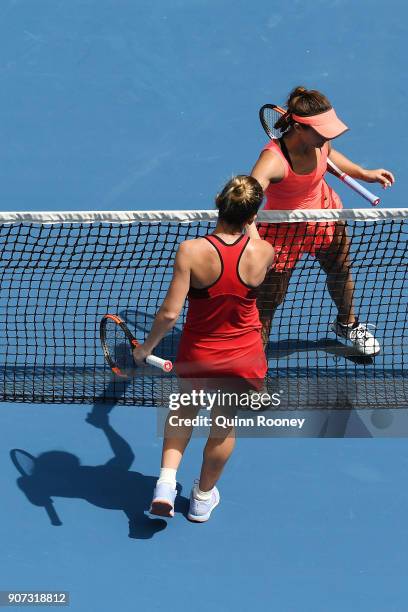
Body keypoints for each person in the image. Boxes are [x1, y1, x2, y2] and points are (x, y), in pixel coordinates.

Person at [132, 176, 274, 522]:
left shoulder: (191, 251)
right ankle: (201, 499)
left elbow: (169, 313)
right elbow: (251, 245)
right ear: (253, 215)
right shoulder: (266, 252)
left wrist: (144, 349)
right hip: (243, 359)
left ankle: (165, 485)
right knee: (223, 425)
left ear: (218, 202)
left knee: (182, 412)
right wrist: (251, 224)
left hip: (199, 355)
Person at [251, 86, 395, 355]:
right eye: (322, 132)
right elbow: (247, 200)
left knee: (340, 272)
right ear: (300, 128)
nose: (327, 137)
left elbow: (329, 154)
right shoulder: (272, 160)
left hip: (325, 215)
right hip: (281, 231)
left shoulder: (319, 141)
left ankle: (347, 324)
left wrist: (364, 173)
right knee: (268, 300)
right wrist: (252, 238)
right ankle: (254, 354)